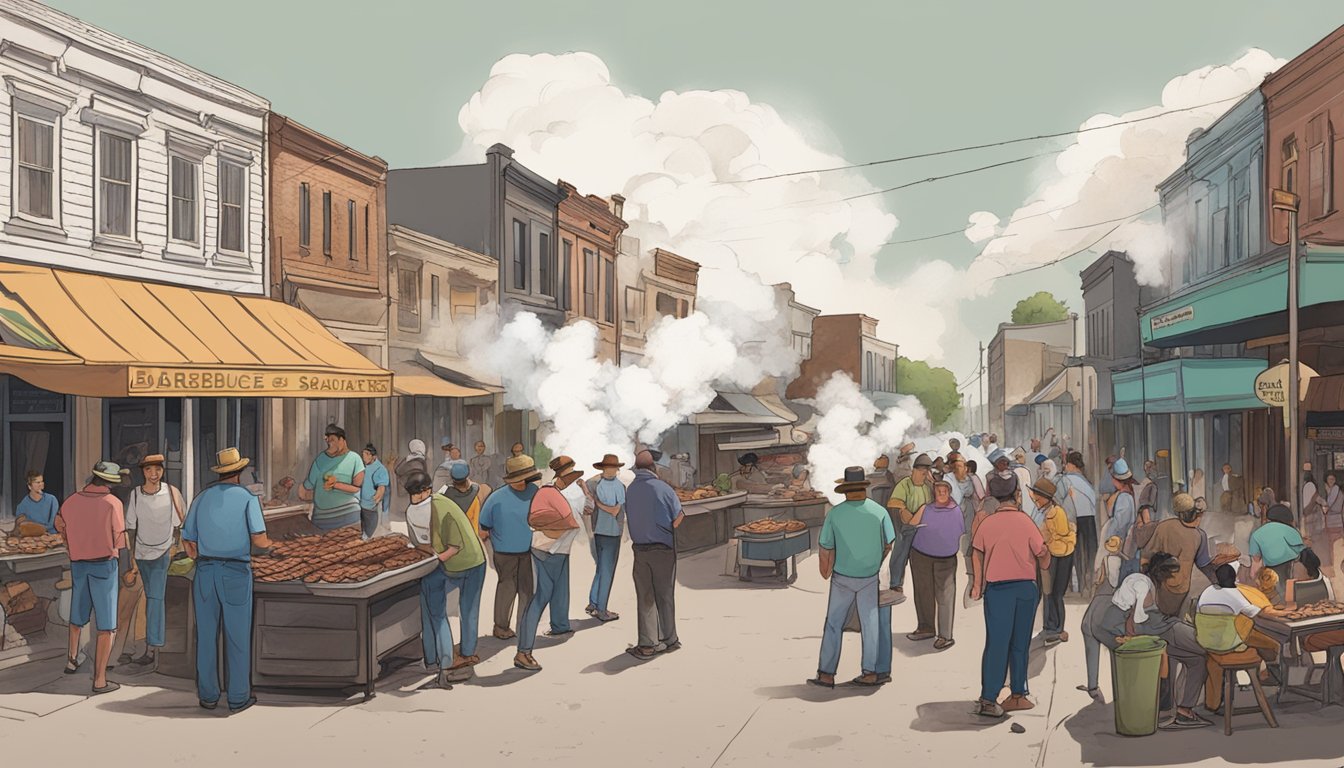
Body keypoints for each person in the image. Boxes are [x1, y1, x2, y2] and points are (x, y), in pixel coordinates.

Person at [181, 448, 271, 713]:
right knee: (237, 635)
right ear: (240, 472)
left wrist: (203, 553)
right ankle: (238, 696)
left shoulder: (201, 498)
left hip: (205, 572)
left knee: (207, 635)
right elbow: (260, 541)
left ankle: (208, 695)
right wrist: (274, 547)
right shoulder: (247, 498)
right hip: (235, 572)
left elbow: (188, 541)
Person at [1098, 552, 1212, 730]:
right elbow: (1137, 619)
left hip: (1161, 632)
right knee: (1208, 645)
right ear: (1162, 573)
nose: (1172, 579)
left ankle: (1184, 711)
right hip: (1164, 630)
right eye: (1170, 574)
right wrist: (1136, 637)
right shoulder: (1143, 584)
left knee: (1198, 661)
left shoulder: (1145, 581)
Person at [971, 473, 1049, 718]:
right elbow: (1042, 557)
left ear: (993, 496)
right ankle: (1017, 694)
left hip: (997, 590)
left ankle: (988, 698)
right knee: (1020, 644)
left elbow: (976, 552)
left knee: (996, 643)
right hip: (1025, 588)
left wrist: (977, 583)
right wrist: (1047, 554)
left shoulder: (987, 524)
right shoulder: (1026, 522)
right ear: (1016, 495)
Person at [809, 467, 895, 688]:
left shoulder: (835, 514)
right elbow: (889, 543)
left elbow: (825, 547)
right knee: (871, 624)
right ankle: (870, 672)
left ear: (845, 491)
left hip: (842, 577)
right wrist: (875, 561)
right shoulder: (879, 512)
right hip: (869, 577)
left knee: (834, 623)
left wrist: (825, 571)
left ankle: (827, 673)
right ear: (864, 489)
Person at [55, 461, 128, 694]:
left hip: (78, 563)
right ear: (110, 483)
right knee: (106, 625)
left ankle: (72, 659)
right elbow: (120, 539)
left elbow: (58, 523)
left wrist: (70, 540)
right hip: (104, 564)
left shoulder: (72, 500)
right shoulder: (112, 503)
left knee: (78, 613)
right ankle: (99, 680)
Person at [414, 469, 487, 685]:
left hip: (470, 561)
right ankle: (433, 658)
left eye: (419, 494)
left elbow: (454, 546)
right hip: (447, 560)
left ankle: (464, 653)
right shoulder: (423, 508)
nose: (416, 499)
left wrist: (433, 559)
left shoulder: (441, 507)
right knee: (434, 604)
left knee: (468, 608)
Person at [514, 456, 585, 672]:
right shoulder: (550, 493)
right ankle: (523, 652)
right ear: (563, 477)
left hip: (557, 550)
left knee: (559, 589)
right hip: (549, 550)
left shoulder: (549, 493)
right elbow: (568, 521)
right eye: (570, 476)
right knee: (541, 597)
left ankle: (560, 626)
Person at [124, 454, 186, 669]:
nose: (154, 474)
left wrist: (173, 548)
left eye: (157, 469)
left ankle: (152, 648)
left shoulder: (171, 492)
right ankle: (132, 646)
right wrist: (131, 557)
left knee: (155, 600)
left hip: (162, 552)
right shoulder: (135, 495)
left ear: (162, 471)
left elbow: (180, 524)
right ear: (143, 472)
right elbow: (130, 527)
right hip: (140, 554)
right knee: (137, 600)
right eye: (149, 470)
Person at [1196, 563, 1285, 710]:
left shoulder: (1207, 591)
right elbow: (1259, 614)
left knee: (1251, 636)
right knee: (1271, 643)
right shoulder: (1235, 595)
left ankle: (1214, 703)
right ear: (1234, 579)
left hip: (1207, 642)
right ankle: (1269, 674)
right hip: (1230, 644)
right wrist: (1285, 613)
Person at [624, 450, 685, 659]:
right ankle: (670, 639)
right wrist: (666, 527)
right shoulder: (664, 488)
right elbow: (679, 517)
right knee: (665, 594)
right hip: (664, 549)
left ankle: (648, 644)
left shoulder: (630, 490)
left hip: (640, 550)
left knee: (646, 596)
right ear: (654, 468)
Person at [478, 455, 541, 640]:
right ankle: (501, 626)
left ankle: (525, 627)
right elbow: (484, 525)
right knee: (507, 588)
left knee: (527, 590)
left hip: (529, 551)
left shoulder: (535, 492)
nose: (522, 482)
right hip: (504, 553)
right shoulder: (496, 497)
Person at [907, 478, 963, 650]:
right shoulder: (926, 508)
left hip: (945, 559)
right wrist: (922, 509)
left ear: (949, 491)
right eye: (938, 490)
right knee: (923, 592)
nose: (941, 493)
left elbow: (961, 531)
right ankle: (925, 627)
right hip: (921, 555)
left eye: (944, 490)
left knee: (945, 596)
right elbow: (911, 524)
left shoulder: (955, 510)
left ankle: (945, 636)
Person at [1143, 494, 1211, 618]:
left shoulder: (1164, 526)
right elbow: (1203, 564)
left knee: (1160, 616)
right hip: (1180, 586)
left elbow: (1147, 554)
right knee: (1174, 618)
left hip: (1160, 582)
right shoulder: (1199, 535)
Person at [1077, 535, 1125, 701]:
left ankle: (1092, 684)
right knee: (1113, 640)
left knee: (1088, 631)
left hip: (1101, 599)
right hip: (1113, 601)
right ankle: (1120, 685)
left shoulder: (1105, 560)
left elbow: (1099, 580)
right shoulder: (1124, 562)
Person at [298, 424, 365, 531]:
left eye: (333, 440)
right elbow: (308, 486)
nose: (330, 444)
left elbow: (358, 487)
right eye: (328, 441)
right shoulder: (321, 459)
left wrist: (336, 485)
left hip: (349, 516)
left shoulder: (355, 459)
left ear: (342, 439)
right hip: (322, 518)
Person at [1034, 477, 1075, 646]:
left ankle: (1054, 628)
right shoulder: (1052, 510)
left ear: (1045, 497)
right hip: (1059, 553)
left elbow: (1054, 535)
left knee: (1052, 593)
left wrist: (1043, 541)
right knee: (1053, 593)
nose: (1035, 499)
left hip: (1056, 555)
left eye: (1037, 497)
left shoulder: (1053, 513)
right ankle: (1053, 627)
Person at [886, 453, 934, 599]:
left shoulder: (927, 487)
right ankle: (895, 583)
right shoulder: (905, 484)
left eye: (926, 472)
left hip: (923, 526)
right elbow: (895, 502)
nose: (923, 475)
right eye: (921, 472)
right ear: (914, 471)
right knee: (901, 552)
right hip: (906, 526)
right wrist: (906, 515)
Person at [586, 453, 626, 622]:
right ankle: (602, 610)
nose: (612, 470)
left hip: (598, 531)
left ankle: (593, 603)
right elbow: (615, 510)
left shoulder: (595, 484)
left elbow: (587, 486)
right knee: (607, 571)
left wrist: (596, 502)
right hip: (611, 533)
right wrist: (599, 504)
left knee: (601, 568)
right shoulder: (619, 486)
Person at [1056, 452, 1099, 597]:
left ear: (1071, 465)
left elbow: (1057, 499)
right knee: (1088, 552)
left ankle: (1071, 587)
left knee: (1071, 552)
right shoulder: (1088, 483)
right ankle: (1087, 586)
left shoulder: (1065, 480)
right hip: (1089, 519)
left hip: (1072, 520)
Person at [1251, 504, 1306, 587]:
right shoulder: (1291, 531)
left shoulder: (1257, 534)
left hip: (1269, 569)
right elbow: (1300, 552)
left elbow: (1256, 559)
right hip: (1288, 567)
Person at [1104, 458, 1139, 571]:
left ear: (1116, 479)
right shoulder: (1132, 491)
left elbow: (1120, 523)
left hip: (1123, 546)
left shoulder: (1124, 497)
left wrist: (1109, 538)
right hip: (1131, 545)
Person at [441, 462, 490, 537]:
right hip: (469, 537)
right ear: (467, 476)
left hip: (449, 536)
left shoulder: (444, 494)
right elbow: (475, 525)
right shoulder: (475, 495)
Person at [358, 444, 390, 540]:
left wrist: (377, 498)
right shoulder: (363, 466)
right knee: (363, 530)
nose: (364, 456)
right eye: (363, 453)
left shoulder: (380, 469)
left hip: (372, 506)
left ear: (374, 456)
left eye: (367, 454)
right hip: (362, 504)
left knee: (371, 533)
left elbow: (381, 487)